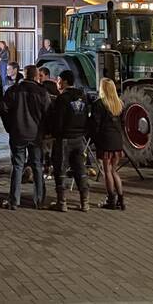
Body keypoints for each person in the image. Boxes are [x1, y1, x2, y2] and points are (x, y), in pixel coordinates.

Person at [0, 64, 51, 210]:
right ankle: (39, 200)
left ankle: (14, 200)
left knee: (17, 166)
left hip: (18, 133)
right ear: (35, 76)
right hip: (36, 135)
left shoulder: (13, 90)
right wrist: (45, 131)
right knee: (37, 166)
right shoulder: (42, 92)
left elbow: (3, 109)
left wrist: (10, 127)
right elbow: (48, 113)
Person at [46, 69, 91, 212]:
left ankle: (62, 202)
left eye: (59, 80)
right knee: (80, 169)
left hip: (64, 139)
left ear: (65, 81)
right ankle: (85, 202)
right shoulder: (82, 96)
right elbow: (86, 117)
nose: (57, 83)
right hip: (79, 138)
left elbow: (58, 120)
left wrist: (54, 133)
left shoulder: (62, 98)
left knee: (60, 169)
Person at [90, 77, 126, 210]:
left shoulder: (99, 104)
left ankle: (111, 199)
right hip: (117, 140)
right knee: (114, 171)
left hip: (105, 140)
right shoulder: (119, 104)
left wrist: (95, 139)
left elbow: (95, 125)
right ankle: (121, 200)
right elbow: (123, 123)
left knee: (107, 171)